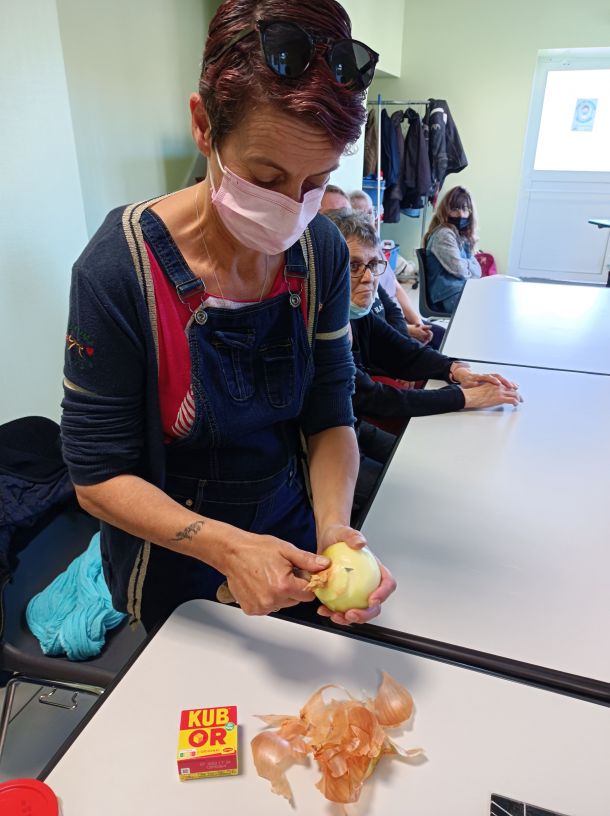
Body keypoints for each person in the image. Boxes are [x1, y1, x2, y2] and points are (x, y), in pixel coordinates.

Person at [60, 0, 395, 631]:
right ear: (203, 126)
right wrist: (227, 548)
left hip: (292, 529)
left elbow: (330, 413)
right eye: (266, 178)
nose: (291, 208)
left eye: (316, 182)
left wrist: (334, 531)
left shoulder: (321, 252)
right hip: (175, 561)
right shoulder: (118, 270)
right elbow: (97, 477)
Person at [327, 211, 522, 516]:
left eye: (373, 264)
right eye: (353, 266)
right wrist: (463, 397)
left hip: (356, 430)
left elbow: (403, 352)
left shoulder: (355, 315)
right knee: (411, 503)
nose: (368, 277)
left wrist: (455, 370)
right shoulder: (320, 330)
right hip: (323, 453)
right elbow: (374, 399)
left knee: (436, 470)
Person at [350, 188, 446, 350]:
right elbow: (376, 321)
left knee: (443, 337)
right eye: (361, 214)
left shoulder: (376, 249)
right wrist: (408, 330)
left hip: (400, 320)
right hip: (390, 328)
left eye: (370, 212)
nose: (369, 218)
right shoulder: (358, 266)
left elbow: (396, 287)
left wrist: (417, 322)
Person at [423, 185, 481, 314]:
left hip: (459, 290)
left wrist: (465, 264)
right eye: (455, 209)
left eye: (465, 209)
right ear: (445, 211)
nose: (461, 214)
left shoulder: (461, 235)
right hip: (447, 296)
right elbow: (460, 270)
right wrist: (469, 264)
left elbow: (478, 271)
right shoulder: (444, 234)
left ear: (470, 213)